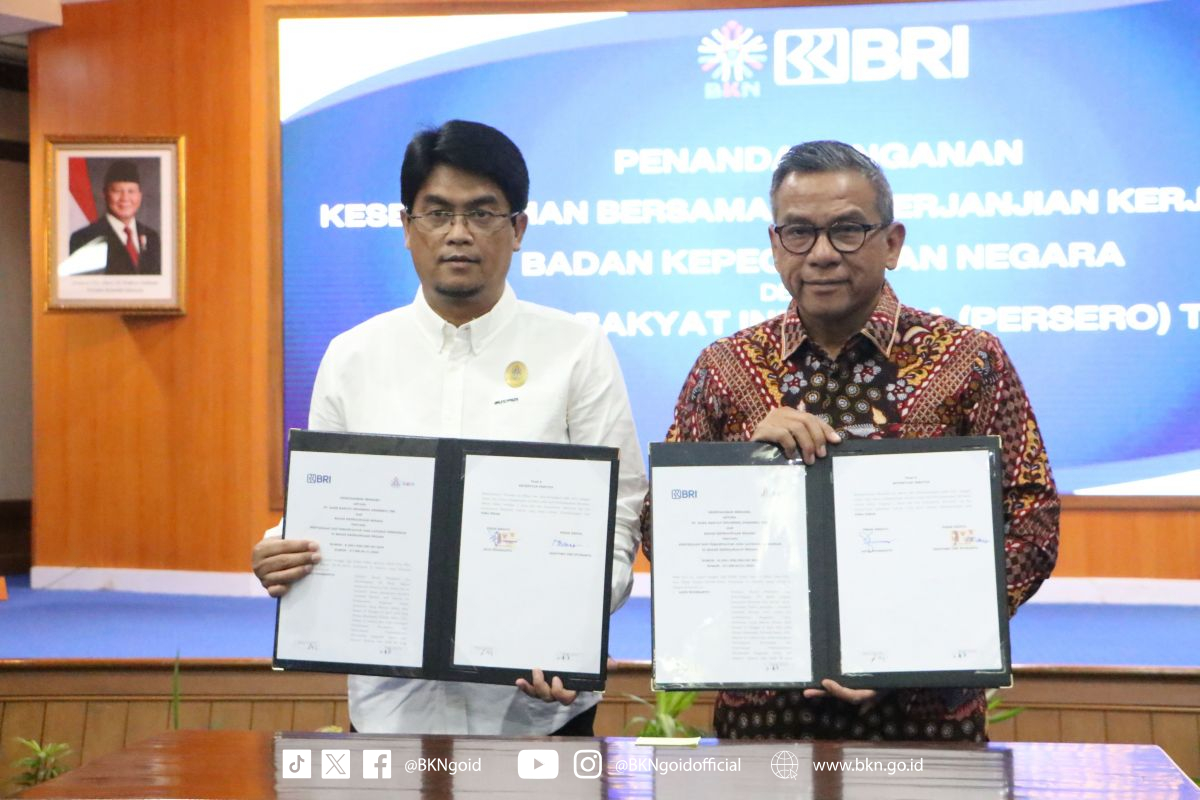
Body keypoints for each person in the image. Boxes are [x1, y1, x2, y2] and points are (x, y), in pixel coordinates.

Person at [644, 140, 1059, 742]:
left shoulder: (969, 360)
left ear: (892, 243)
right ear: (774, 245)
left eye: (846, 230)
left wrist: (916, 645)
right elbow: (663, 529)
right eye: (798, 232)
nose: (821, 254)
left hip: (924, 724)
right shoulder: (724, 368)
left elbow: (1031, 520)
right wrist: (742, 469)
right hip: (765, 723)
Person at [252, 120, 646, 736]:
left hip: (538, 710)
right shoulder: (353, 356)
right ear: (407, 227)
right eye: (437, 213)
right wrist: (282, 549)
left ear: (518, 229)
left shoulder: (577, 349)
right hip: (392, 712)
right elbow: (327, 510)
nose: (459, 233)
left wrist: (570, 622)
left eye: (482, 213)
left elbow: (617, 518)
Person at [68, 159, 162, 275]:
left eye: (131, 191)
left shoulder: (152, 237)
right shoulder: (84, 237)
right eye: (117, 191)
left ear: (140, 196)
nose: (125, 198)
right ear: (105, 194)